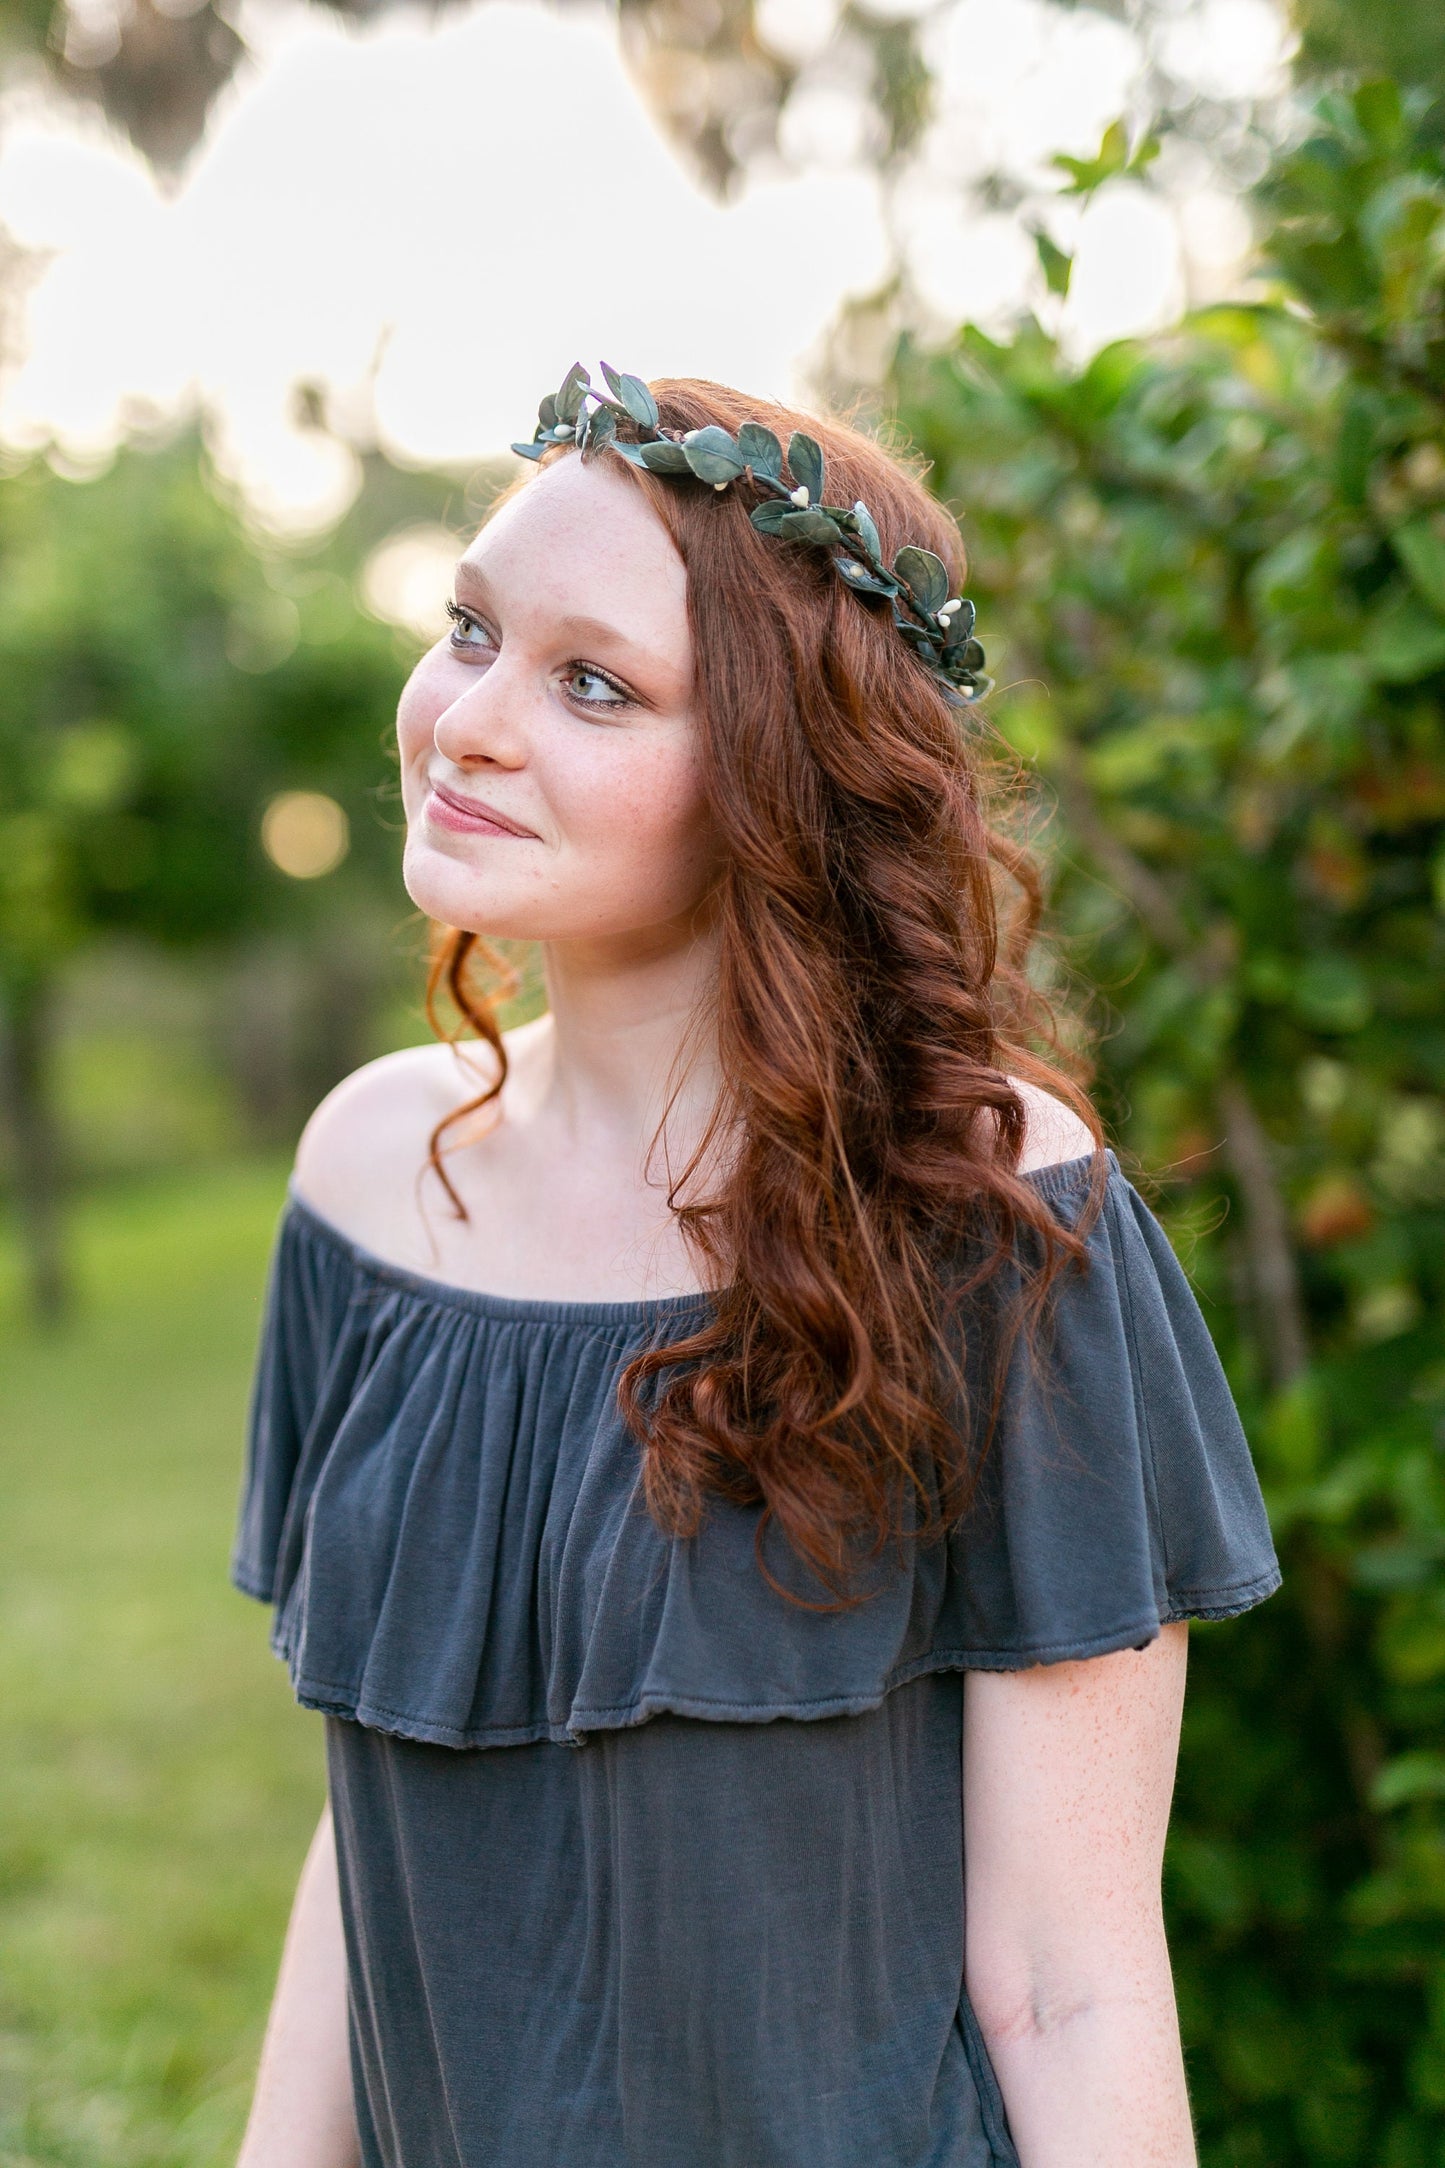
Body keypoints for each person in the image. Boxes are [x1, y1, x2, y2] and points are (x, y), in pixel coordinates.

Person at [230, 368, 1280, 2168]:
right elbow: (372, 1827)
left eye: (592, 683)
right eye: (467, 629)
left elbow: (1066, 1976)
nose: (468, 720)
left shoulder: (993, 1214)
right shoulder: (367, 1183)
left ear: (781, 779)